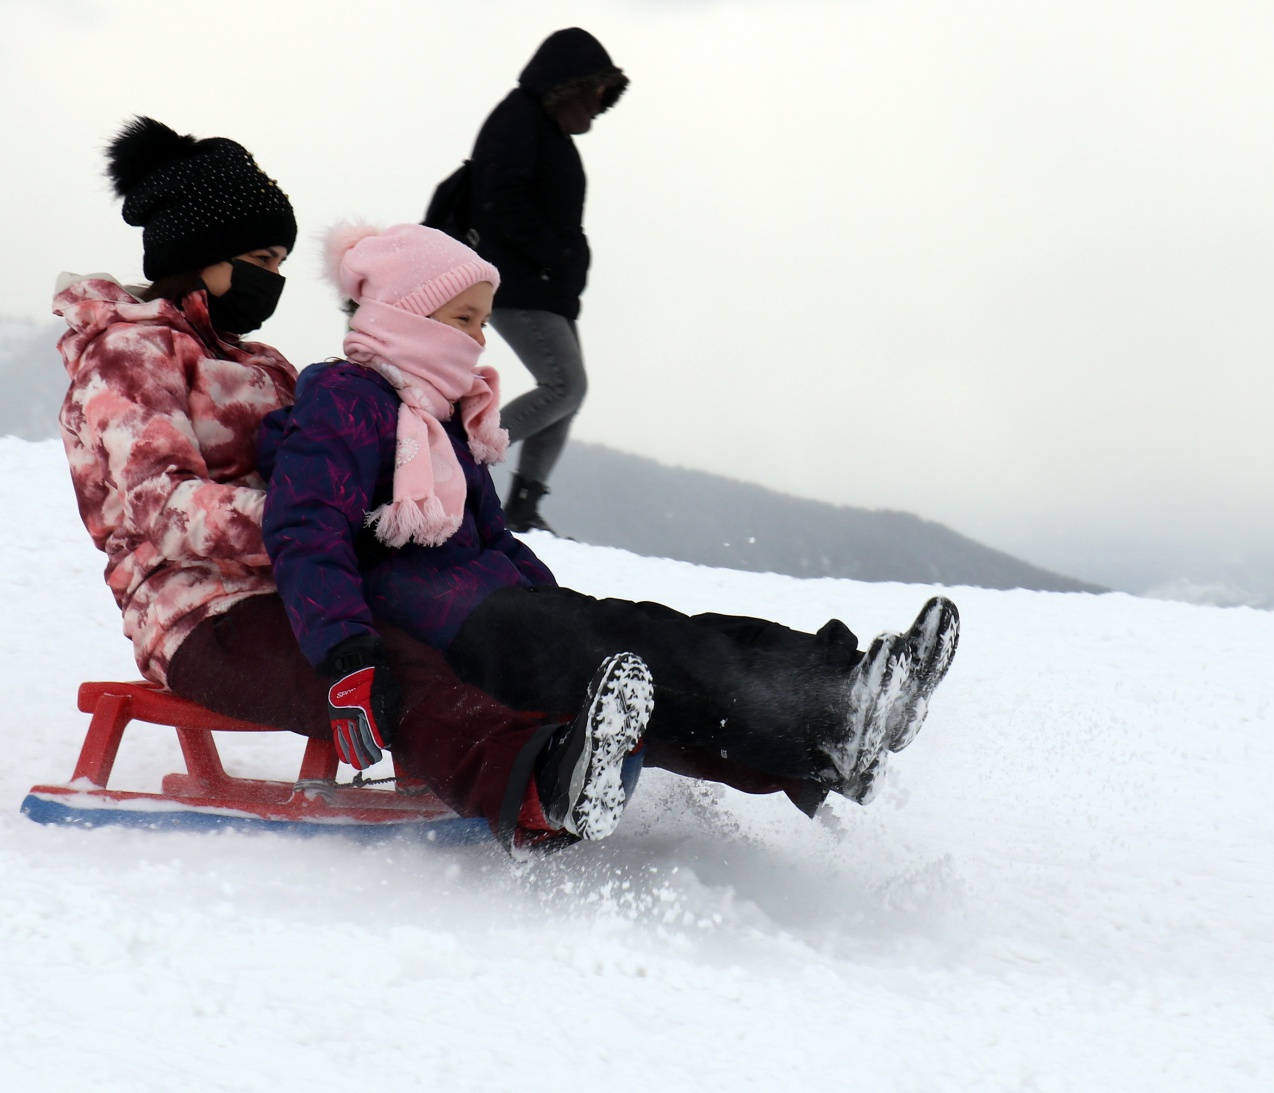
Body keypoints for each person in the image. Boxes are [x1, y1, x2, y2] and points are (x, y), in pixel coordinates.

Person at [261, 224, 961, 845]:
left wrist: (556, 602)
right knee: (658, 654)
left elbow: (492, 539)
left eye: (482, 322)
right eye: (464, 319)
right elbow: (304, 527)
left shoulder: (441, 419)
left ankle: (840, 697)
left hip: (499, 610)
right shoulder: (345, 399)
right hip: (447, 624)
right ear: (407, 317)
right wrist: (347, 649)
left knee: (659, 631)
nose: (478, 339)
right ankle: (835, 713)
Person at [54, 116, 638, 851]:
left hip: (303, 582)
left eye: (283, 259)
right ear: (202, 255)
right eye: (261, 258)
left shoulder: (265, 364)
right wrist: (311, 519)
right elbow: (161, 507)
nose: (275, 277)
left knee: (458, 633)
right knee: (384, 669)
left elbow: (331, 464)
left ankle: (575, 746)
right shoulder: (127, 356)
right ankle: (531, 783)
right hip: (199, 611)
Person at [466, 27, 629, 533]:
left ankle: (523, 506)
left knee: (566, 394)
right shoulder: (520, 120)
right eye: (597, 87)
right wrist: (551, 255)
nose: (602, 100)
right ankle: (462, 452)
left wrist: (561, 263)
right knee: (565, 386)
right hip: (520, 282)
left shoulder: (546, 129)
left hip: (547, 286)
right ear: (572, 83)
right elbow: (500, 199)